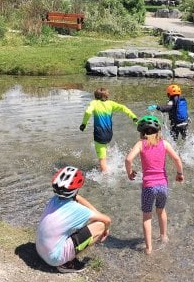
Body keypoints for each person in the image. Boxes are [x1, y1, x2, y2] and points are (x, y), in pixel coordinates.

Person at [125, 115, 184, 255]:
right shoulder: (164, 143)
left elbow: (128, 159)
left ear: (141, 132)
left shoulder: (140, 144)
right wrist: (180, 174)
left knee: (147, 216)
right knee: (161, 211)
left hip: (148, 186)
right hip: (163, 185)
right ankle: (164, 237)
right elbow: (176, 158)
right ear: (158, 131)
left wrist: (130, 172)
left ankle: (149, 249)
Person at [35, 166, 112, 273]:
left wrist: (96, 213)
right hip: (54, 258)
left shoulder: (54, 199)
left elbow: (77, 198)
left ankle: (66, 256)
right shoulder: (78, 210)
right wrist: (106, 229)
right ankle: (67, 263)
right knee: (100, 225)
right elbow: (107, 220)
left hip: (40, 250)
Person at [80, 87, 138, 172]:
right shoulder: (111, 104)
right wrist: (134, 117)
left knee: (102, 160)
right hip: (109, 133)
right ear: (107, 96)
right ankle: (104, 163)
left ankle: (105, 177)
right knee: (104, 150)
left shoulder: (94, 103)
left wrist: (84, 124)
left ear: (95, 96)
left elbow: (88, 112)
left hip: (99, 134)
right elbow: (124, 108)